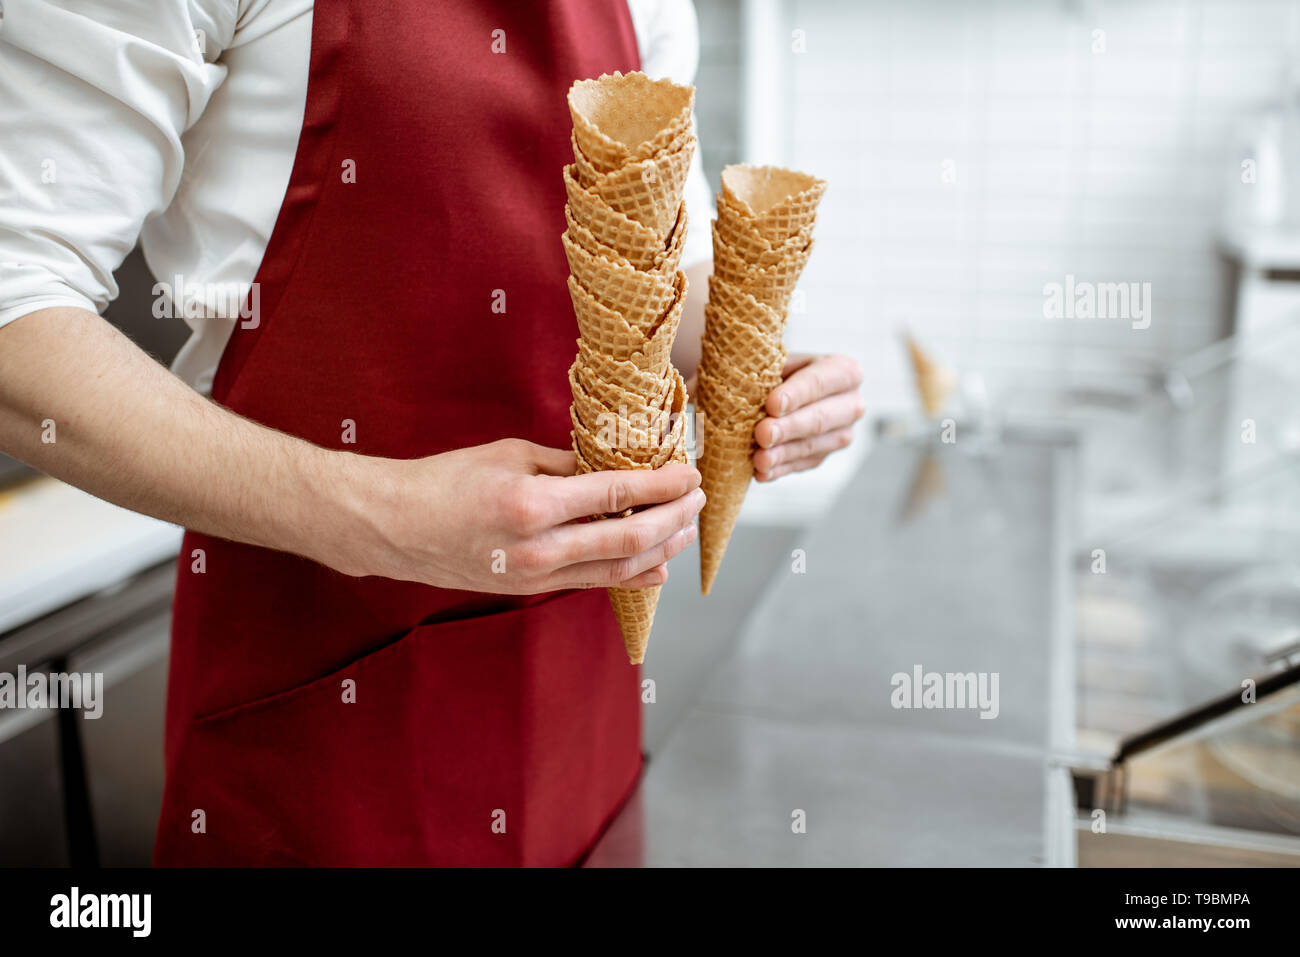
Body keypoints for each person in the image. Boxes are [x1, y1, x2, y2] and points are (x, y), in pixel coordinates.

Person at [0, 0, 864, 865]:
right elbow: (14, 311)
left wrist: (747, 365)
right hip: (321, 707)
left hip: (583, 695)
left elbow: (652, 262)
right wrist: (387, 516)